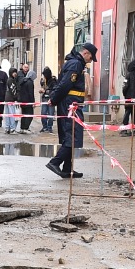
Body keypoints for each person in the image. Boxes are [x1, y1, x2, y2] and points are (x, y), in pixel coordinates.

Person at [46, 43, 96, 179]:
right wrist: (54, 99)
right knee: (73, 136)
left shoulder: (76, 63)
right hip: (70, 104)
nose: (91, 60)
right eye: (91, 57)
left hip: (72, 103)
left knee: (71, 136)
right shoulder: (75, 65)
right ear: (85, 53)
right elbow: (65, 84)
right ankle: (55, 162)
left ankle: (67, 169)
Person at [16, 62, 37, 132]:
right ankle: (26, 127)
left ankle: (22, 128)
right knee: (29, 115)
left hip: (23, 101)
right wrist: (33, 102)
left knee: (24, 114)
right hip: (28, 101)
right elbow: (31, 93)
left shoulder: (23, 81)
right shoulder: (30, 82)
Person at [4, 67, 22, 133]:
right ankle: (12, 128)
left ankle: (7, 128)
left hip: (7, 98)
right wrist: (16, 98)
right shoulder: (11, 80)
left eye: (15, 72)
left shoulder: (9, 79)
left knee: (7, 114)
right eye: (13, 72)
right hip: (11, 99)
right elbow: (13, 90)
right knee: (12, 114)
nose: (15, 74)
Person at [39, 67, 56, 131]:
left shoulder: (53, 81)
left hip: (50, 99)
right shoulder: (43, 80)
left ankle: (49, 127)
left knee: (51, 114)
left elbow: (54, 89)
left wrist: (46, 91)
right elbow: (42, 87)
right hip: (44, 99)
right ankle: (44, 126)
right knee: (43, 113)